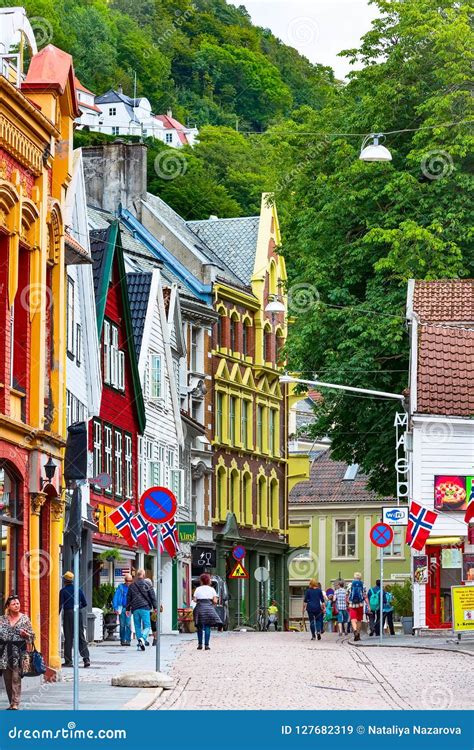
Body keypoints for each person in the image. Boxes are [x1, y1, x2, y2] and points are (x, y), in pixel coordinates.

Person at [0, 595, 34, 709]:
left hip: (19, 652)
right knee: (8, 679)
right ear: (8, 606)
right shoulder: (2, 619)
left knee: (16, 678)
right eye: (14, 604)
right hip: (5, 653)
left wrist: (26, 635)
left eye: (18, 603)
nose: (16, 605)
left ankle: (15, 703)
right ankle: (11, 702)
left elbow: (32, 637)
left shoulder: (25, 619)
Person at [59, 571, 90, 667]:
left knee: (68, 637)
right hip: (78, 614)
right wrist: (77, 607)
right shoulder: (78, 590)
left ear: (64, 581)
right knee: (80, 636)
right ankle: (86, 659)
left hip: (68, 613)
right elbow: (85, 603)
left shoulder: (63, 591)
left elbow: (60, 605)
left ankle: (68, 661)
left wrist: (56, 615)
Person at [125, 569, 157, 651]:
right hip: (145, 608)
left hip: (135, 609)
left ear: (137, 575)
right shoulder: (147, 584)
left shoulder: (132, 585)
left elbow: (128, 598)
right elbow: (152, 596)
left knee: (137, 626)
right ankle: (142, 638)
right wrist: (155, 607)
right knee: (147, 626)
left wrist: (127, 609)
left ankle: (140, 643)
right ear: (143, 575)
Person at [193, 573, 222, 650]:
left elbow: (195, 600)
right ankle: (206, 645)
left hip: (199, 609)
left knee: (199, 627)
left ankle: (199, 644)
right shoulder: (212, 589)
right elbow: (215, 601)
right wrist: (212, 603)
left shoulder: (197, 589)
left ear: (201, 581)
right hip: (209, 608)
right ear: (209, 581)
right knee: (207, 627)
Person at [113, 573, 133, 646]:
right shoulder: (120, 587)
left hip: (129, 609)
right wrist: (115, 608)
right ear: (125, 580)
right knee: (122, 625)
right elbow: (115, 597)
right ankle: (122, 639)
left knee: (128, 624)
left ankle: (128, 640)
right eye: (128, 581)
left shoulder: (132, 588)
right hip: (122, 608)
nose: (129, 582)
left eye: (131, 581)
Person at [348, 572, 368, 642]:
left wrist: (348, 602)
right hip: (360, 605)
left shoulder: (350, 585)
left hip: (352, 604)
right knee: (359, 620)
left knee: (353, 619)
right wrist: (368, 605)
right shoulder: (363, 585)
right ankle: (358, 634)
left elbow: (347, 595)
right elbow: (365, 596)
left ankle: (355, 631)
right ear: (360, 577)